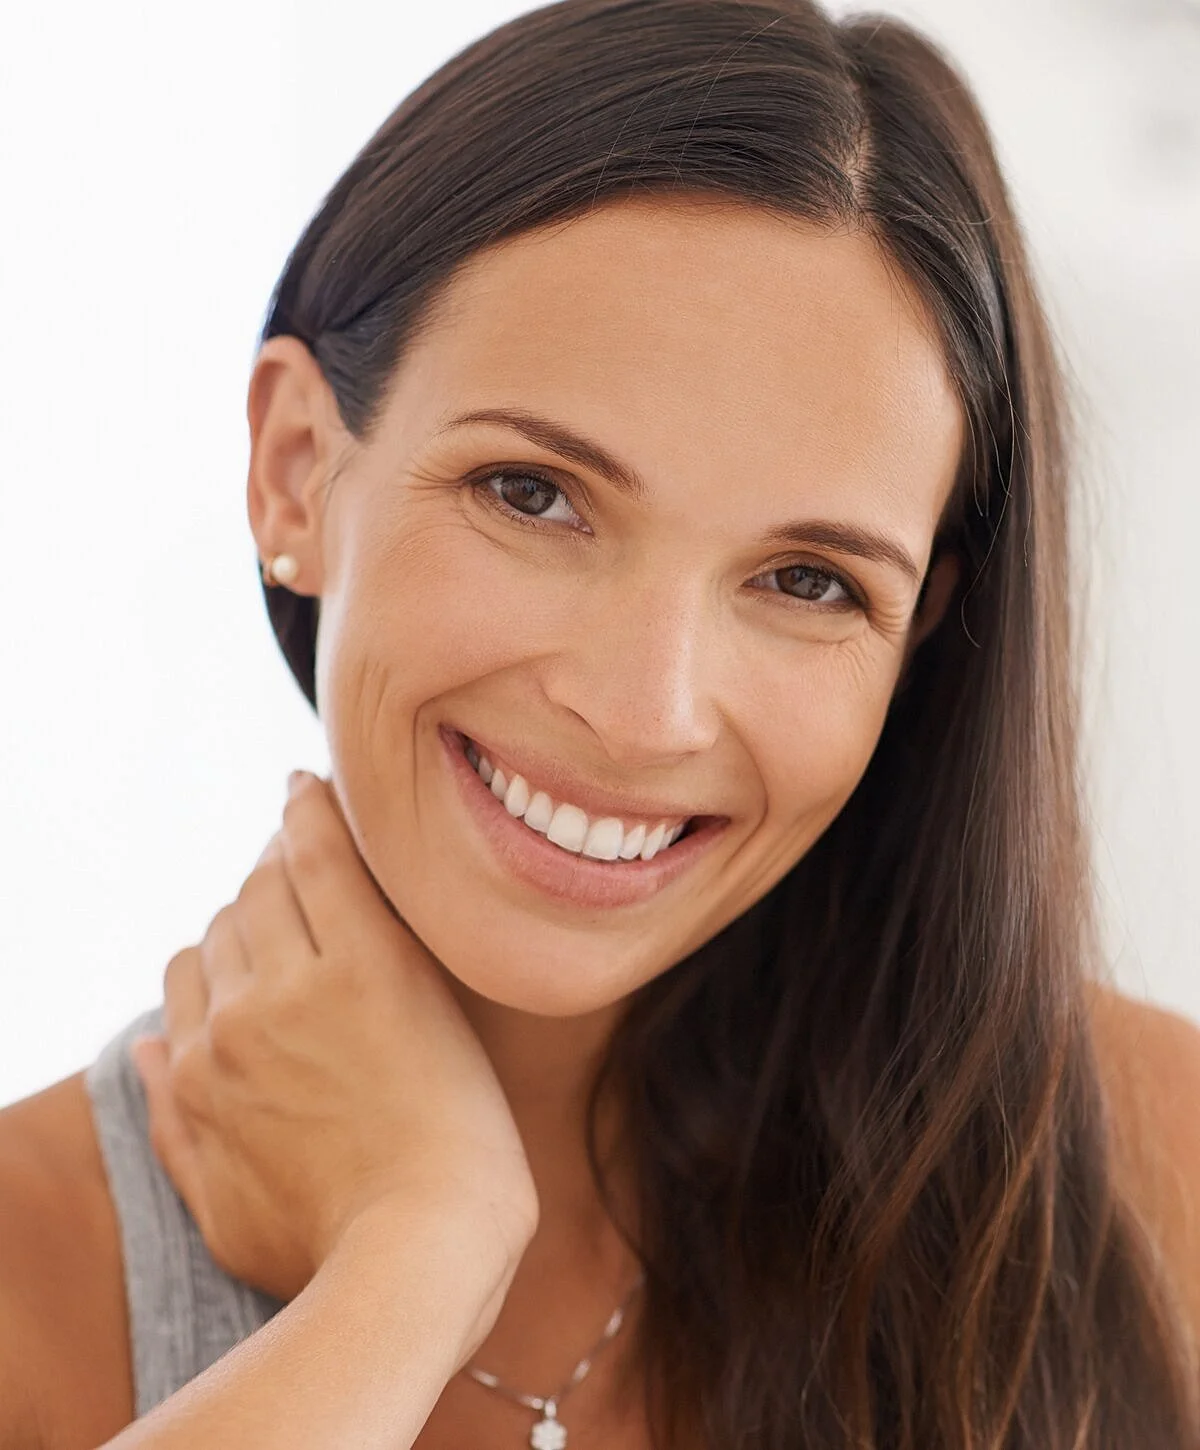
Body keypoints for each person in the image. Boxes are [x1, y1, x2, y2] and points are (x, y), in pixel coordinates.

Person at [1, 0, 1198, 1445]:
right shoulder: (32, 1269)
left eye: (806, 580)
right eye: (534, 494)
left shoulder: (1151, 1165)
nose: (644, 712)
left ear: (921, 629)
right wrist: (415, 1255)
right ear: (298, 469)